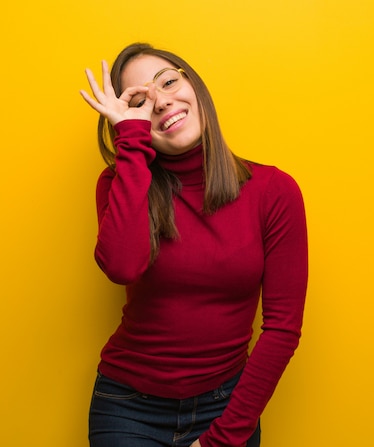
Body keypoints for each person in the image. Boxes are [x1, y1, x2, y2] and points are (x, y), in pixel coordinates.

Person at [79, 42, 308, 447]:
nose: (163, 102)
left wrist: (222, 438)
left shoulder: (274, 191)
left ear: (195, 87)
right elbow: (121, 267)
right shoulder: (119, 184)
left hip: (227, 407)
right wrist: (130, 145)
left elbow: (282, 329)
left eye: (168, 82)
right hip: (127, 407)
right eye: (142, 101)